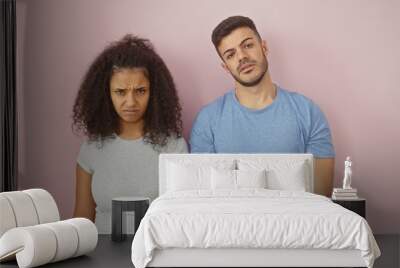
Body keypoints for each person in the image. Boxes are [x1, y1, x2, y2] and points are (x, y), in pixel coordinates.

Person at [190, 16, 335, 196]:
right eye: (231, 54)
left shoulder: (308, 113)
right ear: (226, 67)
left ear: (264, 47)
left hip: (296, 222)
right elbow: (206, 200)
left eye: (248, 45)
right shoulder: (207, 121)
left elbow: (321, 200)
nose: (242, 56)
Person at [72, 35, 188, 233]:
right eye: (120, 91)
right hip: (100, 260)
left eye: (140, 91)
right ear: (106, 93)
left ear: (155, 93)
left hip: (155, 258)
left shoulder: (174, 147)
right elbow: (82, 220)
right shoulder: (91, 149)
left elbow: (180, 220)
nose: (131, 102)